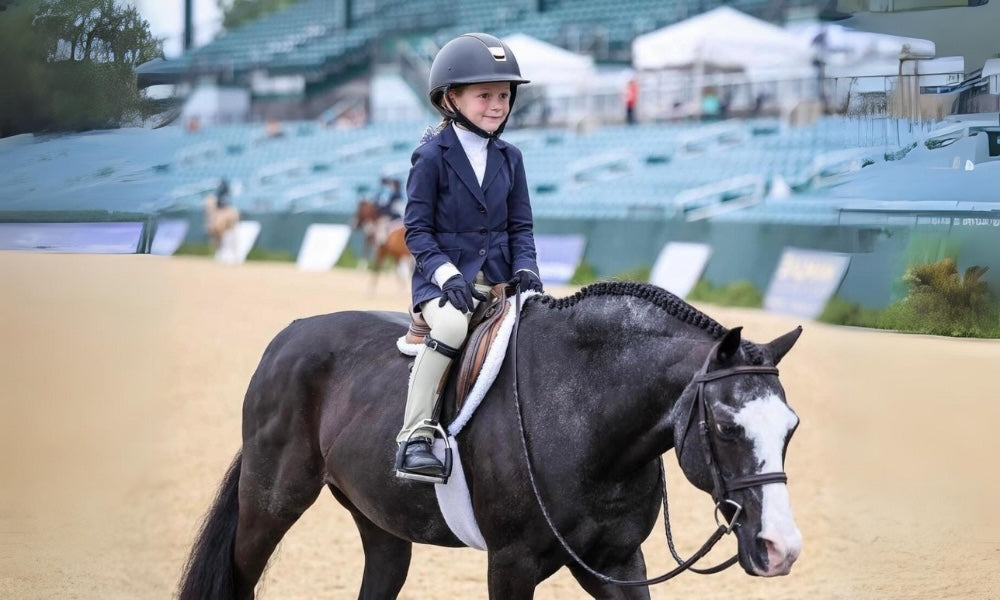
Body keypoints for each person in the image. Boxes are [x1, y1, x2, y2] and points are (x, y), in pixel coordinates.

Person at [395, 32, 544, 481]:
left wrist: (526, 270)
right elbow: (417, 230)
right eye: (484, 96)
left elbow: (521, 226)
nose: (497, 105)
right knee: (454, 326)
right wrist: (445, 275)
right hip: (443, 285)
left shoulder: (511, 157)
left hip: (498, 280)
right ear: (451, 98)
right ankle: (415, 435)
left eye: (503, 95)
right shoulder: (431, 157)